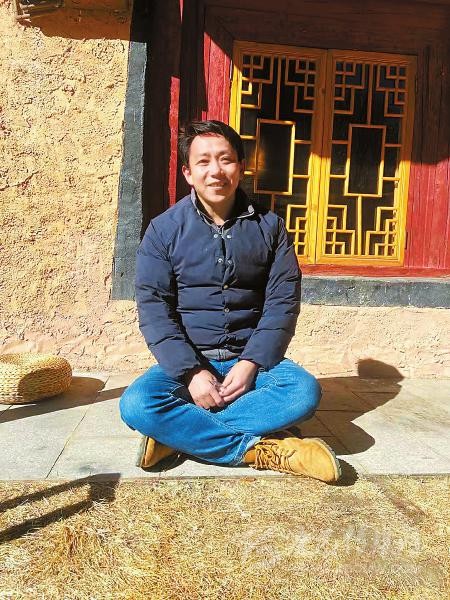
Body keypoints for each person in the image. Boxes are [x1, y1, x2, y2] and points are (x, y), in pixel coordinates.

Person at [119, 120, 341, 483]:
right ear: (188, 173)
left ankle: (178, 435)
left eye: (225, 159)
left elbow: (282, 302)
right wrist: (191, 373)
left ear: (241, 166)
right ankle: (259, 450)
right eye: (203, 161)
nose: (216, 171)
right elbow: (154, 308)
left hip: (252, 361)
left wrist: (251, 362)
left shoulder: (271, 228)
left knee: (303, 393)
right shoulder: (163, 230)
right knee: (137, 404)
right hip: (189, 361)